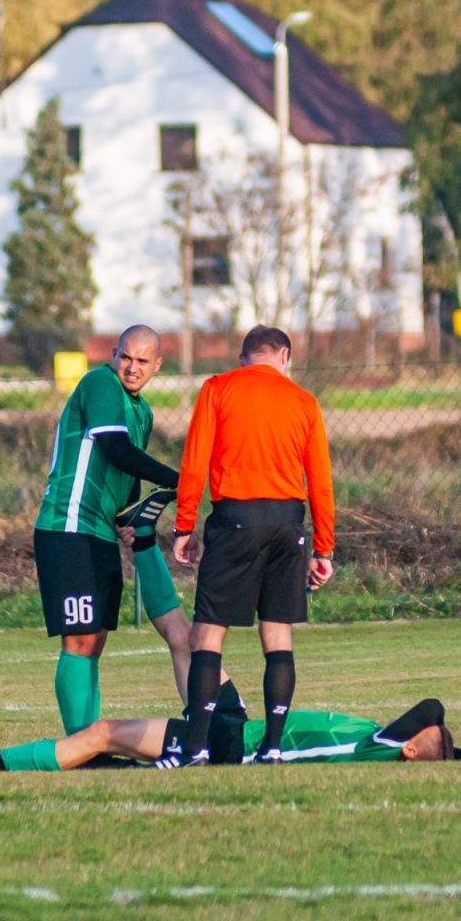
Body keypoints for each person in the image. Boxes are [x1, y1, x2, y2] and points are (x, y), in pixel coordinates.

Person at [167, 325, 336, 767]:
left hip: (234, 521)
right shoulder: (304, 402)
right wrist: (323, 549)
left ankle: (196, 748)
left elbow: (194, 461)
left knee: (208, 634)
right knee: (277, 635)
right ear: (285, 356)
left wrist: (183, 526)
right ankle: (273, 747)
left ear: (244, 358)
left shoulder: (218, 389)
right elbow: (320, 481)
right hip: (286, 523)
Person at [34, 326, 185, 734]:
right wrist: (181, 478)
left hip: (98, 532)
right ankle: (78, 746)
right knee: (80, 641)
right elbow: (116, 450)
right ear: (114, 353)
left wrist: (129, 518)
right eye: (125, 357)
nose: (131, 367)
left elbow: (128, 475)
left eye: (141, 361)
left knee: (94, 642)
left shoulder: (144, 411)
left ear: (157, 365)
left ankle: (89, 741)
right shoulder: (100, 383)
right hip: (69, 526)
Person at [0, 695, 461, 772]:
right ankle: (147, 539)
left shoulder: (385, 745)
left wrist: (460, 754)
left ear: (413, 746)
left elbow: (432, 706)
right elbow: (432, 727)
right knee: (189, 643)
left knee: (105, 733)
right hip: (241, 732)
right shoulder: (384, 747)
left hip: (232, 745)